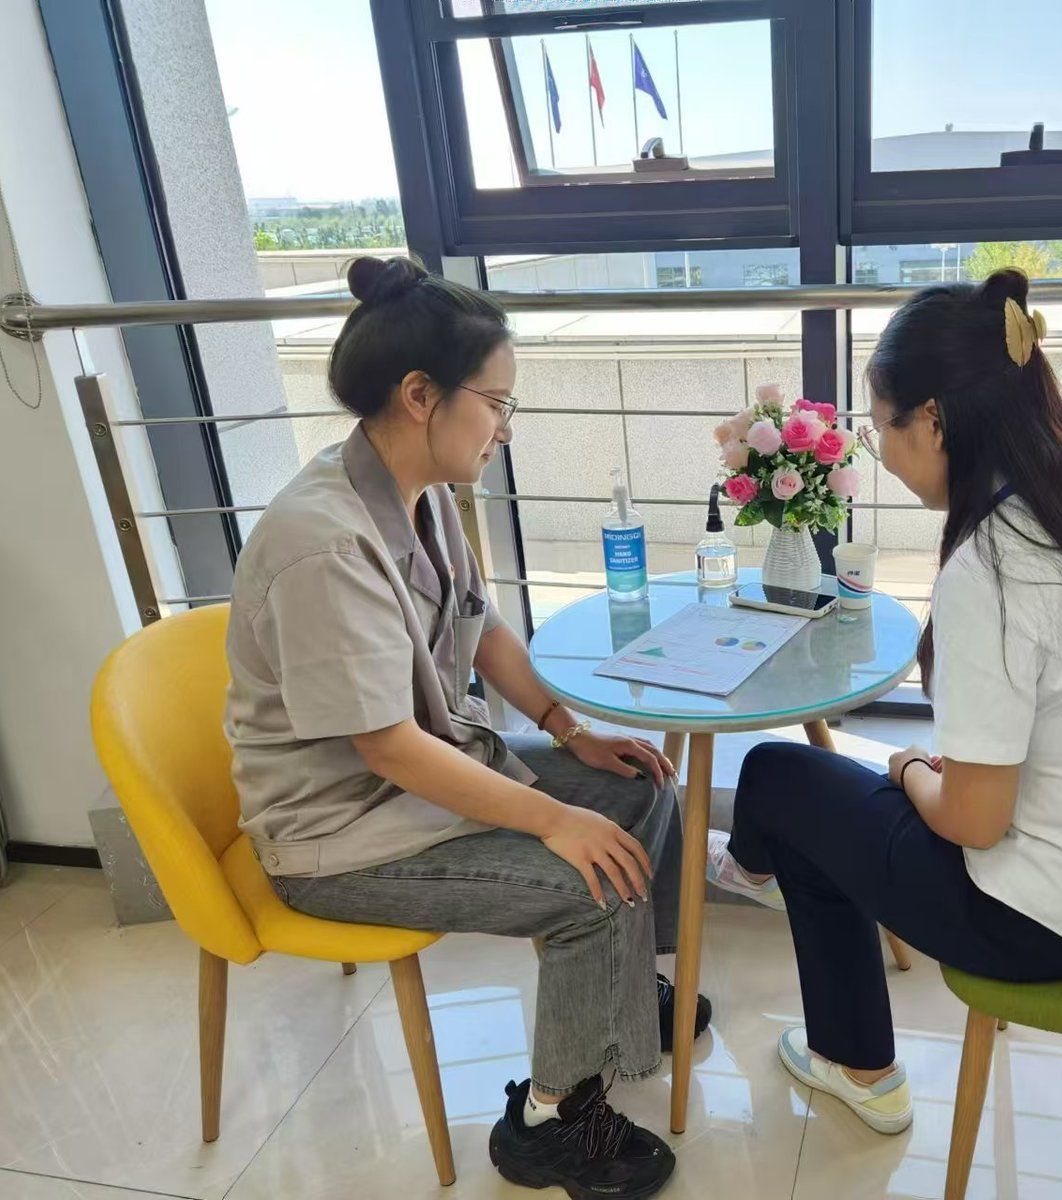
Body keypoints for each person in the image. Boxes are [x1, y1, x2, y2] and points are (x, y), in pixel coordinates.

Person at [224, 255, 705, 1199]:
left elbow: (481, 630)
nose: (506, 428)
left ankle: (618, 1004)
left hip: (420, 774)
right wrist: (553, 819)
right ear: (420, 396)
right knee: (591, 882)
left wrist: (568, 731)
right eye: (497, 404)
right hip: (341, 832)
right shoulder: (323, 543)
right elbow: (386, 747)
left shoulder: (424, 496)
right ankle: (549, 1125)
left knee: (641, 785)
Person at [705, 268, 1062, 1134]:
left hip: (1035, 921)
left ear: (931, 419)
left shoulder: (994, 566)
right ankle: (783, 911)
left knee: (778, 776)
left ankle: (779, 914)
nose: (883, 452)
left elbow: (973, 821)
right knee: (817, 802)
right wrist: (936, 778)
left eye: (882, 425)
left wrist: (911, 771)